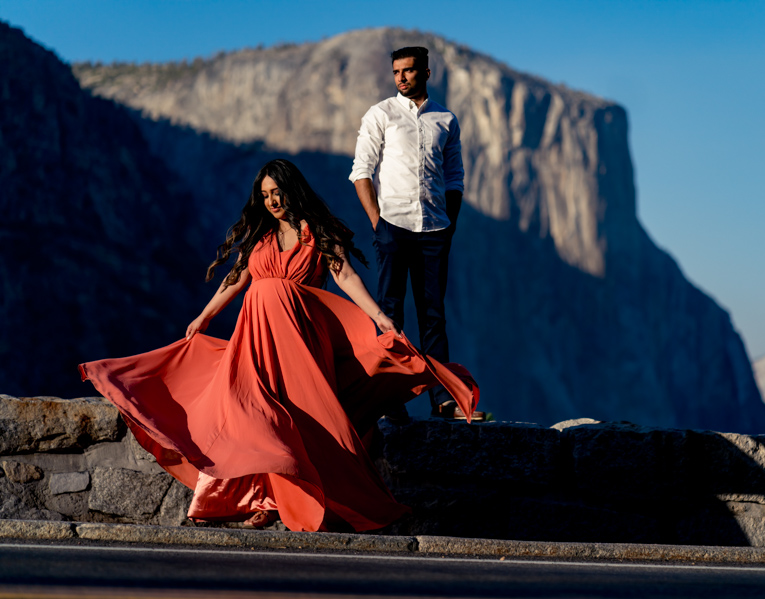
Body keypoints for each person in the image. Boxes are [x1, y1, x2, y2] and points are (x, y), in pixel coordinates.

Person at [80, 158, 478, 532]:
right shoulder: (261, 236)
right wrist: (204, 317)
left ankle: (295, 498)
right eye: (265, 195)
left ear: (292, 191)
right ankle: (263, 498)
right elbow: (236, 279)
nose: (271, 202)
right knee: (255, 415)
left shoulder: (318, 232)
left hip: (300, 342)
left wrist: (378, 316)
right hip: (256, 339)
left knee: (298, 417)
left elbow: (346, 276)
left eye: (277, 193)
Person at [350, 46, 483, 421]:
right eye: (396, 72)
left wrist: (450, 221)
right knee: (390, 313)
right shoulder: (381, 114)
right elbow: (361, 171)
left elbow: (454, 176)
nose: (401, 78)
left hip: (435, 230)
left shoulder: (446, 119)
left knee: (433, 316)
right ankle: (389, 400)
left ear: (426, 72)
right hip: (393, 227)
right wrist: (378, 223)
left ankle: (444, 399)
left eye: (408, 71)